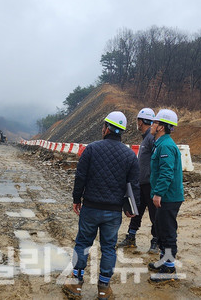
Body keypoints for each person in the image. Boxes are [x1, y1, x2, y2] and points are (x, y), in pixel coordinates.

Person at [62, 111, 140, 300]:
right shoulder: (130, 155)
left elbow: (80, 177)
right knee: (108, 248)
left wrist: (76, 199)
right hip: (113, 212)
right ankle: (104, 288)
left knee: (82, 244)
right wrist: (131, 208)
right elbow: (134, 185)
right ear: (121, 132)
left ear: (105, 128)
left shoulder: (91, 149)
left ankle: (76, 283)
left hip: (90, 208)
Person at [146, 109, 184, 282]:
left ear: (161, 126)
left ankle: (169, 269)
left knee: (168, 232)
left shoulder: (166, 146)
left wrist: (158, 193)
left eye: (154, 123)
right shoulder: (161, 143)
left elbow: (166, 172)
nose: (152, 125)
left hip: (169, 197)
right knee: (161, 229)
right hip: (166, 196)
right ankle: (164, 260)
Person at [117, 108, 159, 253]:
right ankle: (131, 237)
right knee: (136, 212)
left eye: (137, 121)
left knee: (154, 215)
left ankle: (156, 241)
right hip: (142, 182)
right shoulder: (147, 138)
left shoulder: (151, 139)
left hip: (150, 183)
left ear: (140, 122)